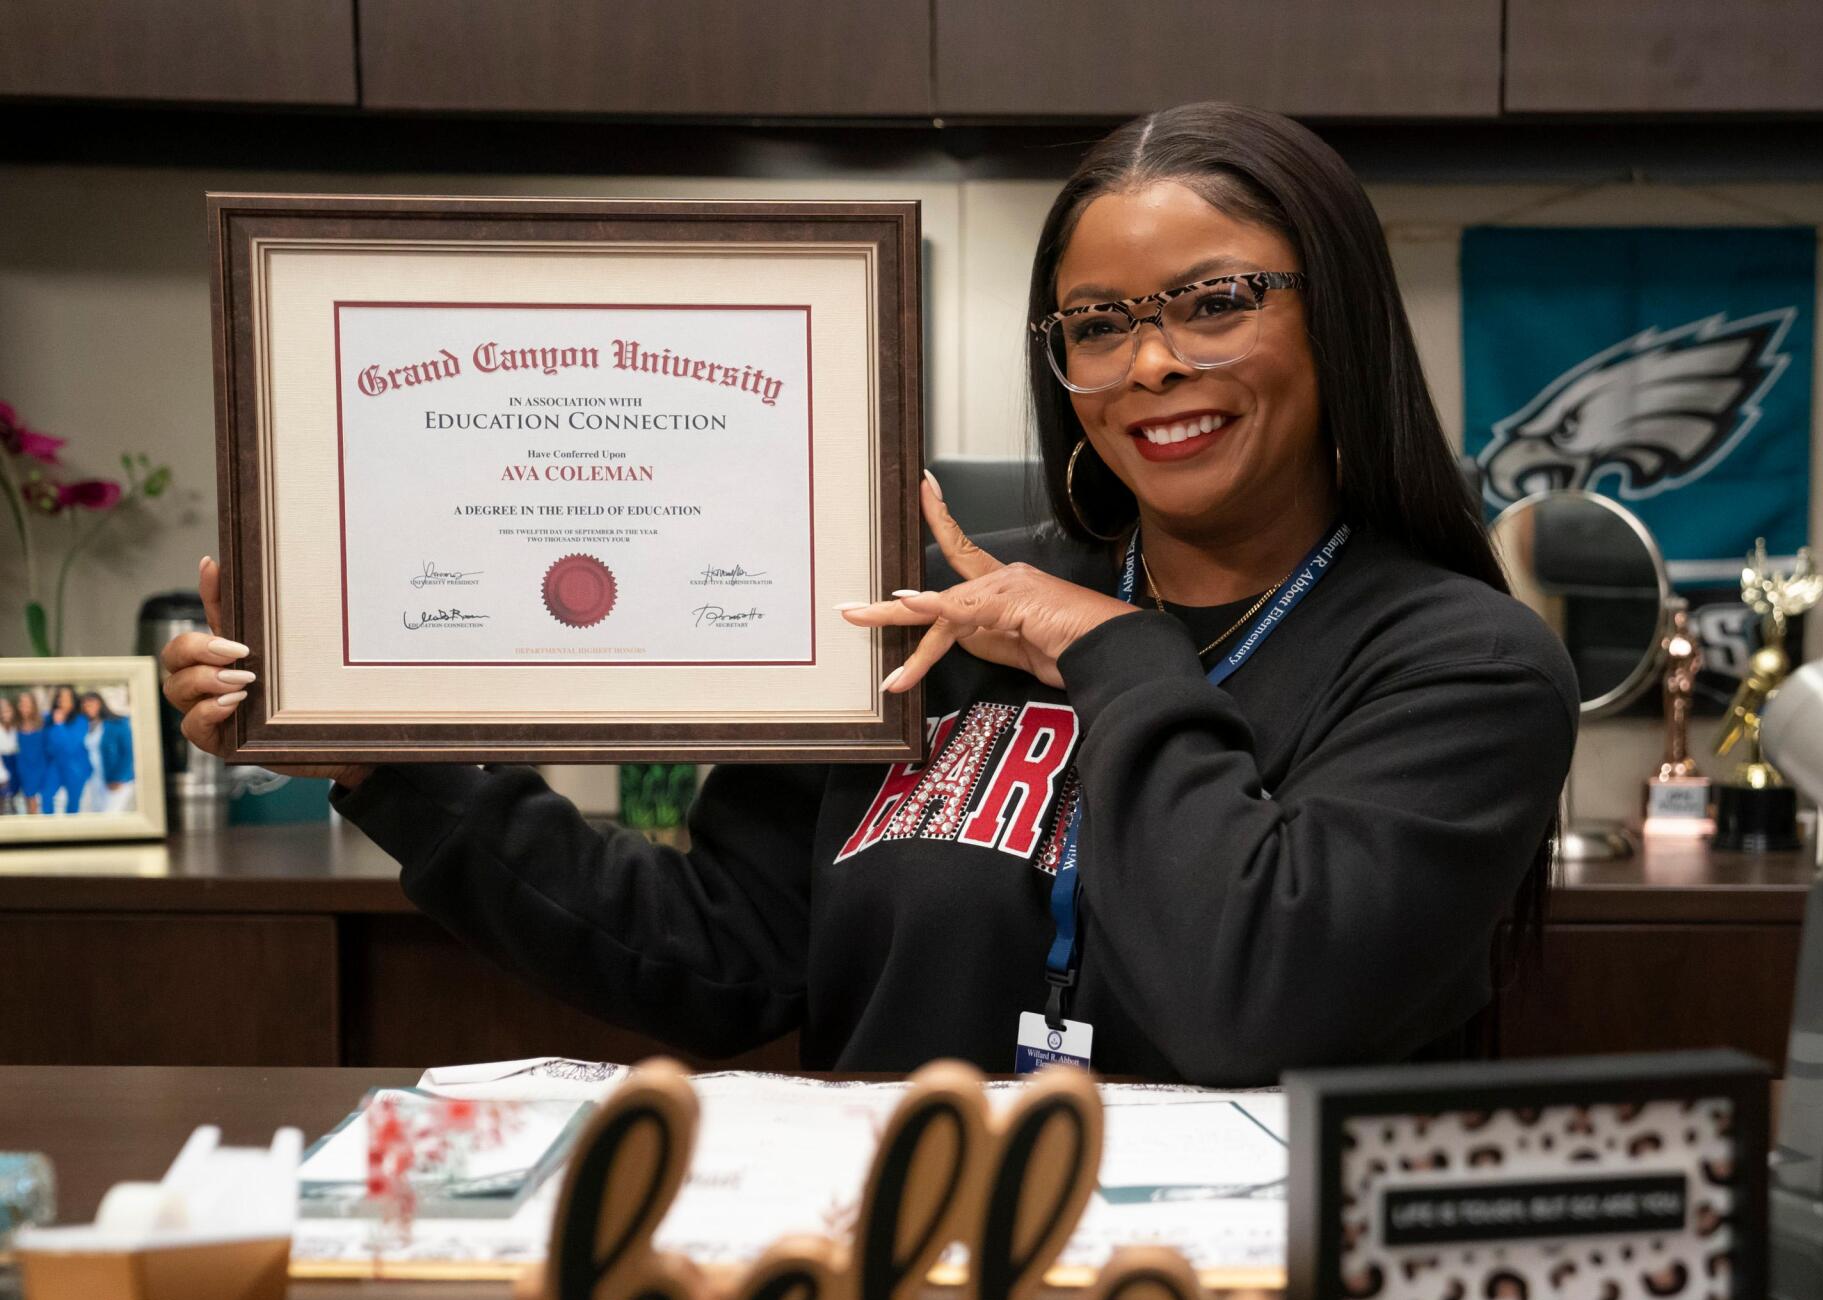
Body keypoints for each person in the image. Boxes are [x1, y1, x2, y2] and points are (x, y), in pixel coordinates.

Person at [163, 103, 1576, 1088]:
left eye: (1214, 303)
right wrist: (382, 767)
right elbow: (721, 957)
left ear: (1333, 314)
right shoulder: (940, 627)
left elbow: (1252, 1001)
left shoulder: (1465, 667)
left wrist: (1113, 653)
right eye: (1099, 325)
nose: (1151, 367)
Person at [78, 692, 137, 814]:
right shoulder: (85, 726)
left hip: (116, 779)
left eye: (91, 704)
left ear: (100, 704)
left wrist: (119, 778)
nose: (88, 708)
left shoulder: (118, 723)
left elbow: (128, 752)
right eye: (85, 705)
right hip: (95, 779)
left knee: (110, 815)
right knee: (98, 815)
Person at [43, 685, 93, 815]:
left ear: (73, 702)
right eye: (59, 697)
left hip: (76, 767)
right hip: (56, 765)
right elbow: (48, 746)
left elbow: (70, 746)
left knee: (72, 804)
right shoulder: (49, 719)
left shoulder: (81, 720)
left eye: (66, 698)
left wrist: (59, 725)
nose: (61, 701)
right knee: (46, 797)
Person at [10, 692, 46, 814]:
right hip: (24, 767)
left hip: (40, 765)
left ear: (33, 705)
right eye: (21, 703)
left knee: (41, 801)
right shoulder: (16, 724)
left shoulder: (43, 721)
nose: (24, 706)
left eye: (27, 703)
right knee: (29, 800)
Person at [0, 697, 17, 814]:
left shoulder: (15, 727)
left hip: (14, 765)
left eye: (7, 709)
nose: (5, 713)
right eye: (2, 710)